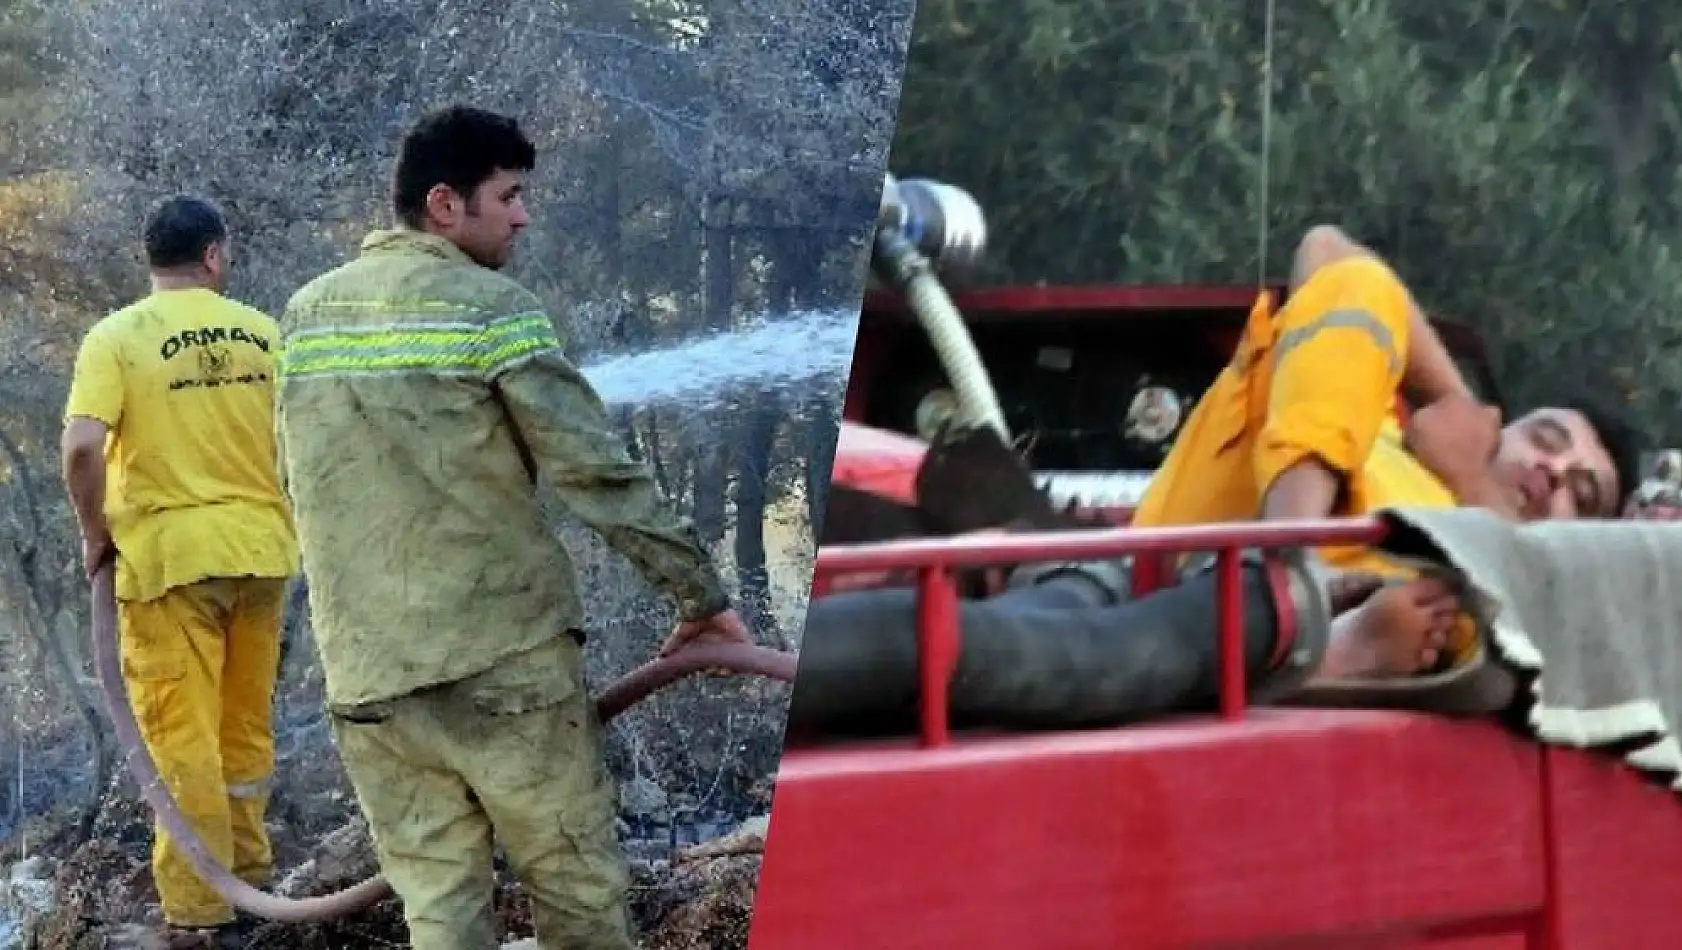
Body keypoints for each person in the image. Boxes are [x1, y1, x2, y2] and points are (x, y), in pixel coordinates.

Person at [274, 105, 751, 950]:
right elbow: (595, 472)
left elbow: (299, 480)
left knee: (441, 909)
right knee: (575, 892)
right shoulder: (493, 308)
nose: (524, 214)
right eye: (510, 195)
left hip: (368, 675)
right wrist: (698, 595)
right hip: (503, 662)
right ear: (446, 205)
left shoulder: (305, 317)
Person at [1132, 224, 1644, 677]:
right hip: (1206, 541)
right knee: (1362, 287)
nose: (1553, 470)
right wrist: (1457, 403)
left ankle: (1296, 622)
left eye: (1581, 494)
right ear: (1497, 428)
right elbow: (1328, 248)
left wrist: (1469, 480)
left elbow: (1543, 623)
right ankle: (1290, 570)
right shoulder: (1377, 419)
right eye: (1545, 439)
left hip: (1362, 603)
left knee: (1457, 608)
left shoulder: (1516, 592)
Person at [60, 196, 300, 948]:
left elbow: (80, 448)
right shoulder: (266, 334)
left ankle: (200, 914)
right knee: (245, 729)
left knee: (182, 737)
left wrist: (93, 535)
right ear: (215, 256)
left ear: (151, 259)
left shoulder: (119, 337)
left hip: (170, 565)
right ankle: (253, 882)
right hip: (262, 553)